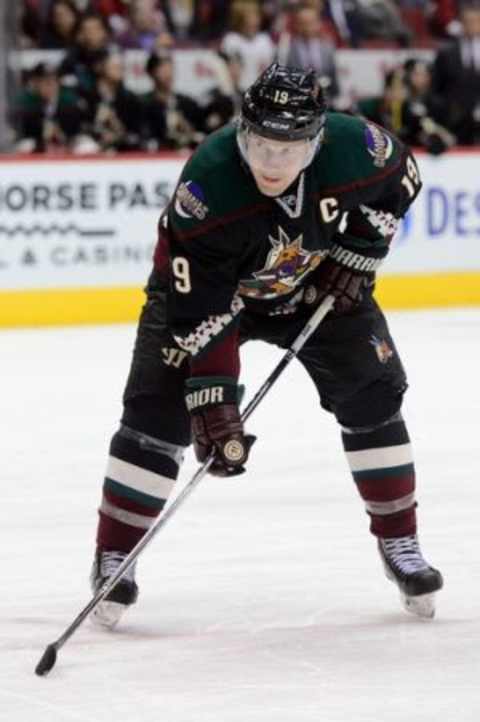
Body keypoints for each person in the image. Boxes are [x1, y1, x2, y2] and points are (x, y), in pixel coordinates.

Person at [90, 63, 443, 628]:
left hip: (314, 288)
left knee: (374, 394)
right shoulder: (208, 183)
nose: (271, 162)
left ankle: (400, 544)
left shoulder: (358, 147)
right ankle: (115, 553)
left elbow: (403, 177)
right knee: (158, 411)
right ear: (241, 131)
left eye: (289, 147)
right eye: (260, 144)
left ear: (317, 139)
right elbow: (203, 306)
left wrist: (358, 254)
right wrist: (214, 398)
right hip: (205, 294)